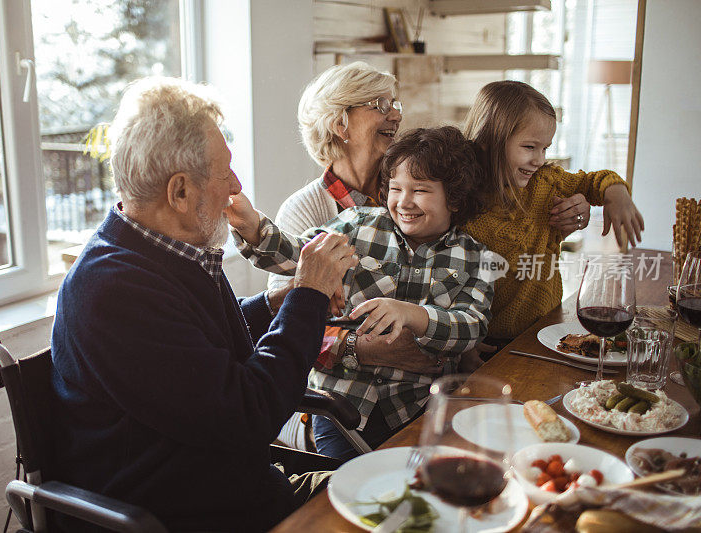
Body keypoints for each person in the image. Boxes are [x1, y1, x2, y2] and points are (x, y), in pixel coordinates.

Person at [49, 77, 357, 532]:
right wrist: (309, 295)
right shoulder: (113, 289)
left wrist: (279, 301)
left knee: (401, 491)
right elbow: (251, 411)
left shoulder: (156, 253)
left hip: (238, 488)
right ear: (179, 192)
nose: (235, 185)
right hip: (192, 513)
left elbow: (199, 349)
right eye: (224, 171)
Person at [228, 126, 494, 460]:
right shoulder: (356, 222)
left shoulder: (478, 258)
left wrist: (413, 315)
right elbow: (299, 255)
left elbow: (472, 326)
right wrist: (251, 225)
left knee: (418, 484)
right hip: (341, 401)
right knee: (342, 486)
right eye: (396, 188)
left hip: (417, 405)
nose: (404, 201)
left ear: (454, 197)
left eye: (421, 191)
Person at [462, 80, 645, 355]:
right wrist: (463, 347)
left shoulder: (547, 182)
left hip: (547, 328)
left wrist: (616, 193)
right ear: (489, 139)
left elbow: (593, 181)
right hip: (483, 342)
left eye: (545, 148)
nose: (539, 159)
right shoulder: (460, 200)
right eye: (529, 147)